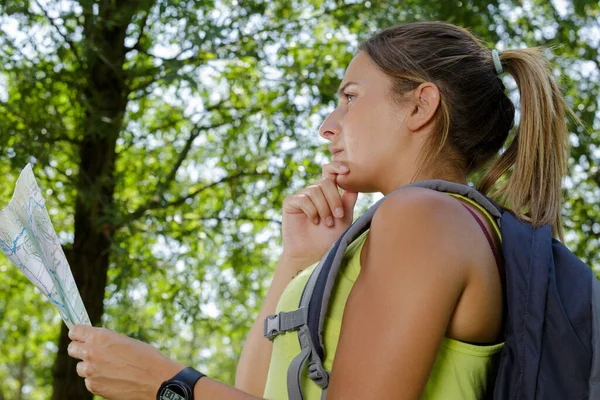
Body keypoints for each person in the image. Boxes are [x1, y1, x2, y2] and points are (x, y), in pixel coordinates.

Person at [67, 20, 570, 399]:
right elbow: (259, 390)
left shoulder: (425, 216)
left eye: (350, 97)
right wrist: (301, 261)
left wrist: (165, 381)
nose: (328, 126)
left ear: (420, 105)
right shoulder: (397, 231)